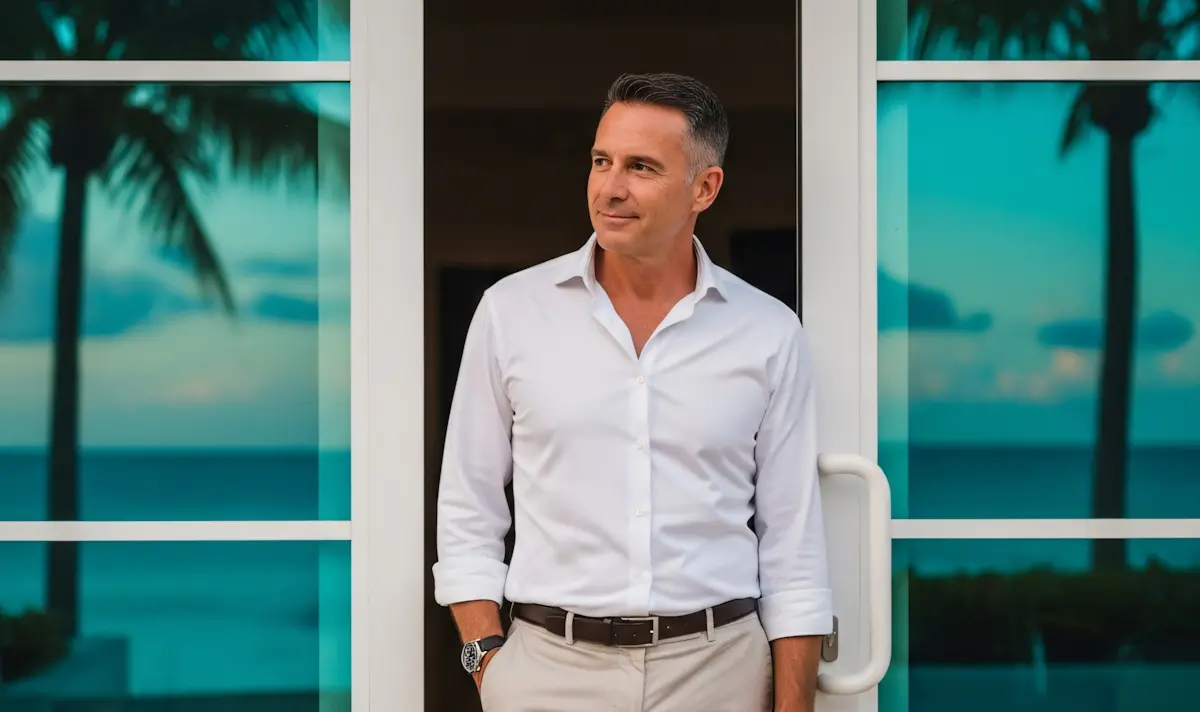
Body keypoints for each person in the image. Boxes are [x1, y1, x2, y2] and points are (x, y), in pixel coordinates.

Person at [433, 71, 832, 712]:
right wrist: (489, 661)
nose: (610, 188)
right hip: (547, 673)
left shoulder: (768, 332)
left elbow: (794, 548)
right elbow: (468, 510)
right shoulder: (511, 312)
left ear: (704, 187)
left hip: (719, 673)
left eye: (641, 167)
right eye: (601, 161)